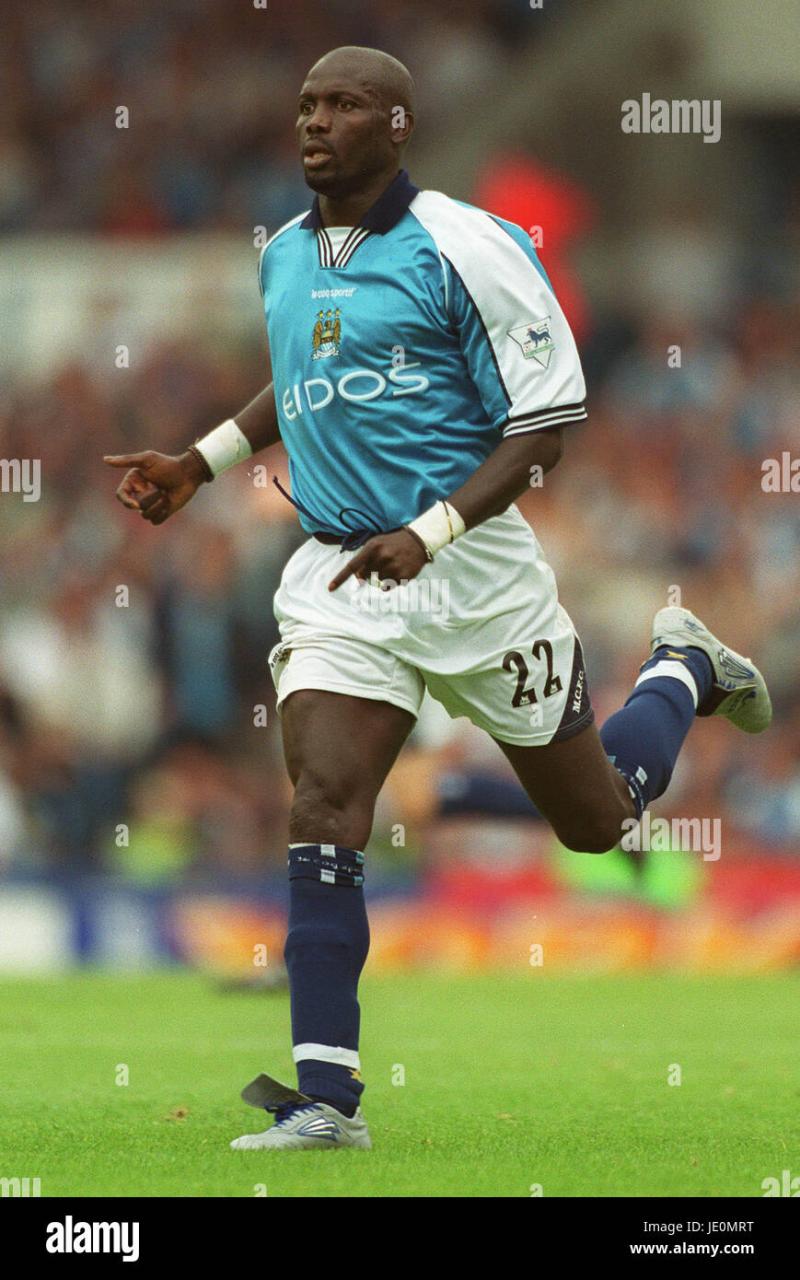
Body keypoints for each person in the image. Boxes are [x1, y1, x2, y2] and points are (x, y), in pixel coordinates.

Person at [105, 46, 771, 1152]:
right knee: (324, 800)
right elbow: (304, 374)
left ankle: (682, 665)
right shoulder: (283, 254)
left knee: (597, 822)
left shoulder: (472, 245)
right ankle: (327, 1098)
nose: (316, 121)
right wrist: (199, 457)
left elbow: (547, 418)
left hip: (472, 575)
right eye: (307, 101)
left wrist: (433, 528)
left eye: (345, 104)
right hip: (338, 574)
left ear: (399, 124)